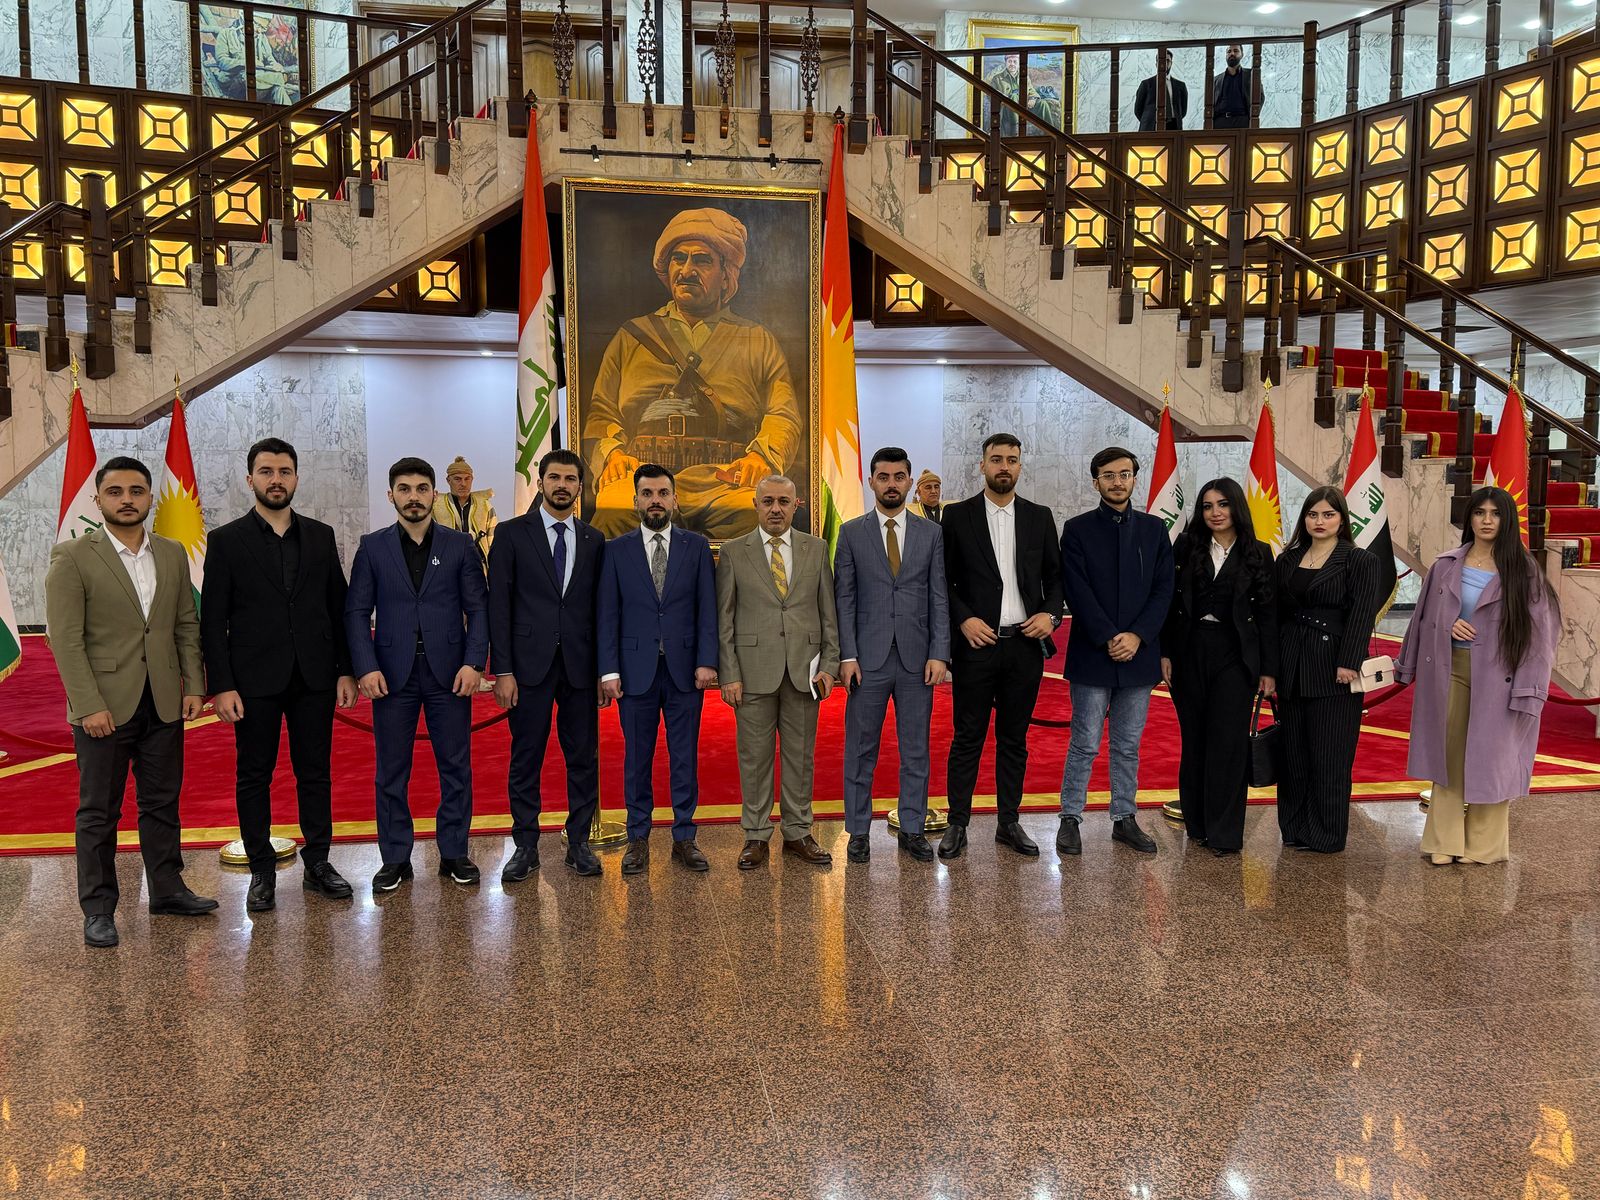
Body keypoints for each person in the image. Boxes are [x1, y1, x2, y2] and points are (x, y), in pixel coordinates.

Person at [45, 456, 216, 947]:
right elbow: (66, 639)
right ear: (98, 500)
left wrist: (194, 685)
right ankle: (98, 908)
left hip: (163, 701)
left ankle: (166, 888)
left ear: (149, 499)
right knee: (98, 811)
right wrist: (87, 704)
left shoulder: (171, 553)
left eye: (136, 491)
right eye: (115, 491)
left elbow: (185, 623)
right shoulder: (73, 557)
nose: (127, 500)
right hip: (103, 708)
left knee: (161, 803)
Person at [201, 437, 359, 913]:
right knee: (254, 776)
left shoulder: (320, 534)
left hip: (314, 677)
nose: (276, 479)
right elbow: (213, 619)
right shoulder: (227, 541)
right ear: (250, 479)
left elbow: (338, 608)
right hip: (253, 682)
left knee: (316, 773)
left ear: (296, 478)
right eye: (266, 471)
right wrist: (222, 684)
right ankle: (261, 872)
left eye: (284, 471)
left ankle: (319, 863)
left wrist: (346, 671)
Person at [584, 208, 804, 541]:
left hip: (722, 478)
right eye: (678, 259)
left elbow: (783, 414)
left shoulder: (757, 340)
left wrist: (761, 456)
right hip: (645, 477)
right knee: (613, 512)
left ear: (726, 273)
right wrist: (612, 454)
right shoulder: (631, 336)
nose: (687, 270)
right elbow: (602, 411)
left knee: (752, 519)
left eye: (701, 260)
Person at [345, 457, 488, 892]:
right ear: (392, 495)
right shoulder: (372, 547)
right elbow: (355, 612)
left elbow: (479, 608)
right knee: (391, 771)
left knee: (455, 767)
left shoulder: (460, 545)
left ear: (434, 495)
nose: (413, 496)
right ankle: (394, 859)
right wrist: (365, 667)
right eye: (404, 489)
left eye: (421, 488)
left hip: (450, 675)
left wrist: (473, 662)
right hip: (391, 676)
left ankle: (454, 853)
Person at [1396, 486, 1560, 865]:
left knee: (1493, 758)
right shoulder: (1445, 565)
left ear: (1507, 520)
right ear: (1469, 518)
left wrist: (1530, 691)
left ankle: (1484, 847)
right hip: (1449, 670)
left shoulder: (1524, 571)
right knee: (1448, 754)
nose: (1487, 520)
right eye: (1480, 512)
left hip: (1501, 679)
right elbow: (1423, 619)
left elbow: (1541, 639)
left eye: (1495, 513)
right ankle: (1442, 841)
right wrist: (1449, 625)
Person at [939, 434, 1063, 860]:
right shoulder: (956, 516)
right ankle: (957, 824)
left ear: (1020, 466)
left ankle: (1008, 821)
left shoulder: (1039, 516)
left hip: (1024, 646)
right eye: (996, 460)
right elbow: (944, 579)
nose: (1004, 466)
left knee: (1015, 739)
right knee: (967, 737)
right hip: (977, 645)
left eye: (1012, 459)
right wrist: (964, 618)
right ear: (982, 466)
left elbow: (1056, 578)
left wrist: (1052, 614)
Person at [488, 449, 607, 879]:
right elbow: (497, 606)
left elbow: (600, 609)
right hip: (527, 669)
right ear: (539, 483)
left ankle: (578, 842)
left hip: (580, 669)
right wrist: (502, 670)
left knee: (582, 758)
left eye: (570, 479)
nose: (562, 485)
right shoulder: (511, 534)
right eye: (553, 477)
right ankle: (525, 846)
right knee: (526, 757)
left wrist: (602, 671)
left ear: (579, 487)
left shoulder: (594, 540)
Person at [597, 464, 719, 874]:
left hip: (686, 671)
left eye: (663, 493)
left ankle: (685, 836)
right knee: (637, 758)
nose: (655, 500)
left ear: (674, 499)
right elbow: (607, 614)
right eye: (647, 493)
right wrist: (608, 670)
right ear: (635, 501)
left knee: (684, 756)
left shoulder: (696, 546)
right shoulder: (616, 550)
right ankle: (638, 838)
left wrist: (707, 661)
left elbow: (708, 609)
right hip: (634, 672)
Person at [716, 475, 839, 870]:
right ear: (755, 505)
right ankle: (755, 835)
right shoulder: (735, 552)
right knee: (754, 757)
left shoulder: (816, 549)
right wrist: (729, 673)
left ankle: (798, 831)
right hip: (752, 673)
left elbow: (828, 614)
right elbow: (725, 619)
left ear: (795, 504)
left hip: (805, 672)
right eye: (767, 501)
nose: (775, 509)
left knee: (801, 756)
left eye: (783, 502)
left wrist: (831, 666)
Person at [836, 447, 952, 864]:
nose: (891, 484)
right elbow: (844, 599)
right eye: (882, 477)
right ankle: (858, 831)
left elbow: (939, 597)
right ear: (871, 481)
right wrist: (846, 656)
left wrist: (940, 653)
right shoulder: (851, 533)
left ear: (908, 482)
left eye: (898, 476)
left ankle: (913, 827)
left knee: (915, 749)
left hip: (917, 660)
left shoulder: (931, 534)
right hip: (866, 661)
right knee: (860, 749)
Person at [1056, 446, 1173, 856]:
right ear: (1096, 481)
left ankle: (1124, 817)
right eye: (1109, 475)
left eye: (1125, 474)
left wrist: (1138, 635)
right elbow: (1076, 589)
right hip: (1093, 651)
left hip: (1139, 655)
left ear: (1135, 479)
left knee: (1127, 744)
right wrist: (1108, 635)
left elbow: (1164, 590)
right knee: (1085, 741)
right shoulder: (1077, 529)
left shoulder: (1155, 530)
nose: (1117, 481)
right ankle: (1070, 817)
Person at [1159, 478, 1278, 856]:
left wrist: (1268, 669)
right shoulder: (1186, 547)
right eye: (1208, 505)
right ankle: (1197, 824)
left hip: (1235, 656)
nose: (1215, 513)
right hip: (1189, 652)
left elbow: (1269, 615)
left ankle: (1224, 834)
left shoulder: (1258, 552)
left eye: (1222, 504)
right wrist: (1165, 652)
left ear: (1236, 508)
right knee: (1194, 740)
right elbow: (1167, 604)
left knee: (1227, 744)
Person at [1274, 486, 1383, 854]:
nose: (1319, 522)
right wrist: (1271, 668)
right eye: (1312, 515)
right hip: (1290, 666)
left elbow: (1361, 615)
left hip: (1334, 667)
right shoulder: (1287, 560)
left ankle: (1326, 834)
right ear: (1304, 519)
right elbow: (1275, 617)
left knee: (1329, 756)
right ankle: (1294, 829)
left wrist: (1349, 662)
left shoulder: (1358, 560)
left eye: (1328, 515)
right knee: (1293, 756)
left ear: (1341, 519)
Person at [432, 456, 498, 571]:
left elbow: (494, 542)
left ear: (472, 479)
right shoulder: (435, 506)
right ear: (448, 480)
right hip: (445, 568)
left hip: (478, 568)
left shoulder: (485, 506)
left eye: (467, 479)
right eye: (457, 479)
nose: (463, 484)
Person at [984, 50, 1065, 136]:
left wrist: (1033, 98)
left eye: (1015, 61)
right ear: (1006, 62)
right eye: (1009, 61)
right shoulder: (997, 78)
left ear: (1018, 63)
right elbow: (990, 95)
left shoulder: (1024, 77)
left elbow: (1031, 91)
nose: (1012, 64)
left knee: (1043, 103)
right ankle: (1015, 131)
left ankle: (1050, 133)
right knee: (1014, 96)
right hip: (1007, 109)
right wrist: (1002, 99)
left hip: (1024, 106)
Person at [1135, 50, 1188, 131]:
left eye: (1167, 60)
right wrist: (1149, 120)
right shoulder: (1146, 84)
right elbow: (1138, 110)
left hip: (1173, 126)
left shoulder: (1180, 86)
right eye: (1161, 60)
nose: (1165, 63)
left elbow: (1183, 111)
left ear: (1171, 63)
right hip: (1150, 127)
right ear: (1156, 64)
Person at [1212, 43, 1253, 129]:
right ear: (1226, 55)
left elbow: (1260, 97)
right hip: (1220, 123)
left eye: (1236, 51)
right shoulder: (1216, 79)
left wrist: (1251, 116)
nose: (1232, 54)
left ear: (1242, 54)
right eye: (1229, 51)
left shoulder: (1251, 75)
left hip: (1243, 122)